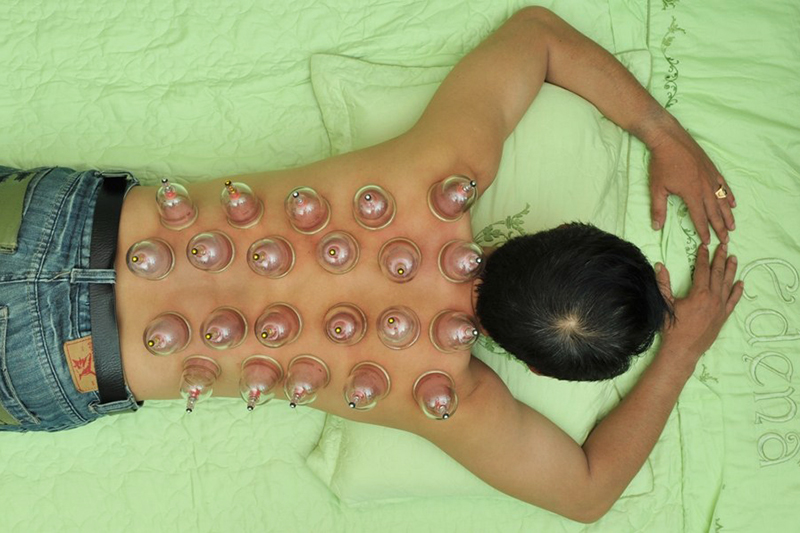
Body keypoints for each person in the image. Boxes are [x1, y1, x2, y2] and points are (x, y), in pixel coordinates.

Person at [0, 7, 742, 523]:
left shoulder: (439, 176)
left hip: (52, 226)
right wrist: (682, 351)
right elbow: (587, 492)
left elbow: (538, 36)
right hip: (59, 363)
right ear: (533, 366)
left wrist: (660, 131)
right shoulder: (447, 398)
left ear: (546, 232)